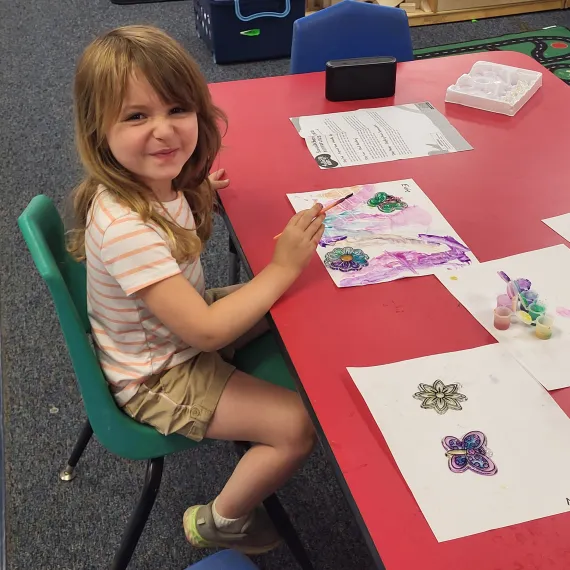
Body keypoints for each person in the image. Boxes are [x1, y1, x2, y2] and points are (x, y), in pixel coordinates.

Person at [67, 24, 325, 553]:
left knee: (289, 309)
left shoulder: (150, 185)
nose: (164, 132)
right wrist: (280, 267)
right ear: (99, 132)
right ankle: (220, 522)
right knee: (297, 428)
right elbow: (207, 334)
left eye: (177, 110)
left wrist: (197, 187)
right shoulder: (127, 230)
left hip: (169, 331)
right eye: (137, 116)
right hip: (159, 373)